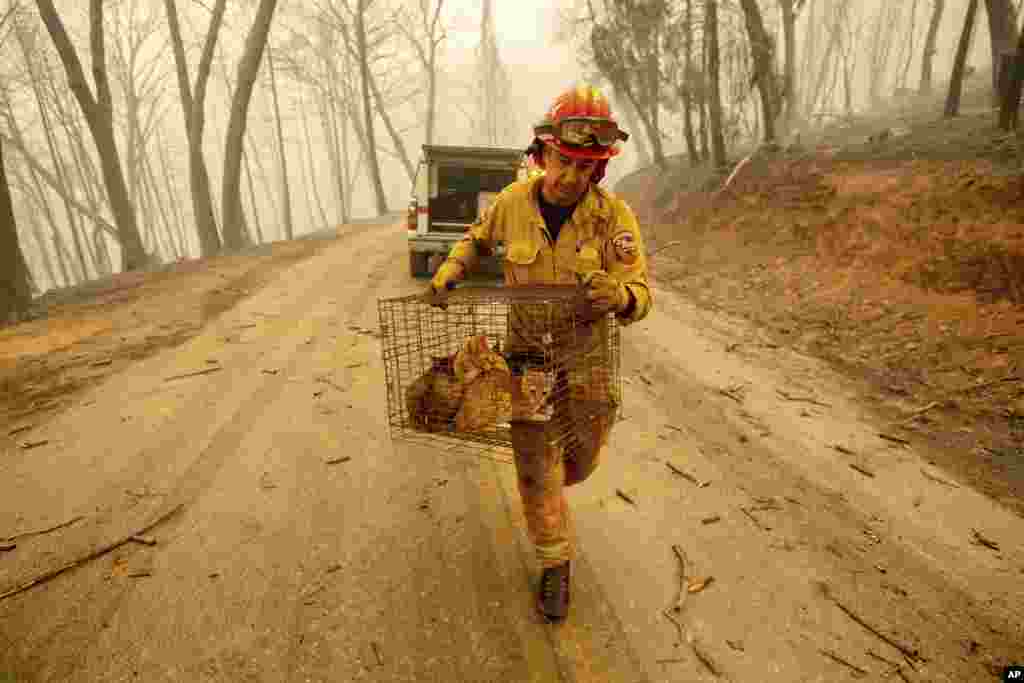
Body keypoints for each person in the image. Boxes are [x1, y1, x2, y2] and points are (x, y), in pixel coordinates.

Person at [426, 84, 652, 621]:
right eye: (562, 160)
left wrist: (619, 295)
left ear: (598, 170)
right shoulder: (511, 204)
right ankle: (555, 561)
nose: (570, 175)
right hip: (526, 360)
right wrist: (452, 268)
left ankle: (551, 483)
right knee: (536, 464)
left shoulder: (613, 219)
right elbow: (476, 240)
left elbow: (642, 295)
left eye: (584, 166)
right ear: (543, 152)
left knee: (582, 459)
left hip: (589, 364)